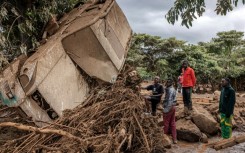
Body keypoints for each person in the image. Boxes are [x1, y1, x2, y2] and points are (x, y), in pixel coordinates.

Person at [163, 79, 177, 144]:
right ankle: (174, 139)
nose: (166, 83)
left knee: (166, 122)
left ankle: (164, 138)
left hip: (169, 106)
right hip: (173, 106)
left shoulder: (170, 90)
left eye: (167, 82)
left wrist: (166, 110)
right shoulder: (172, 89)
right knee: (173, 123)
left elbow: (169, 100)